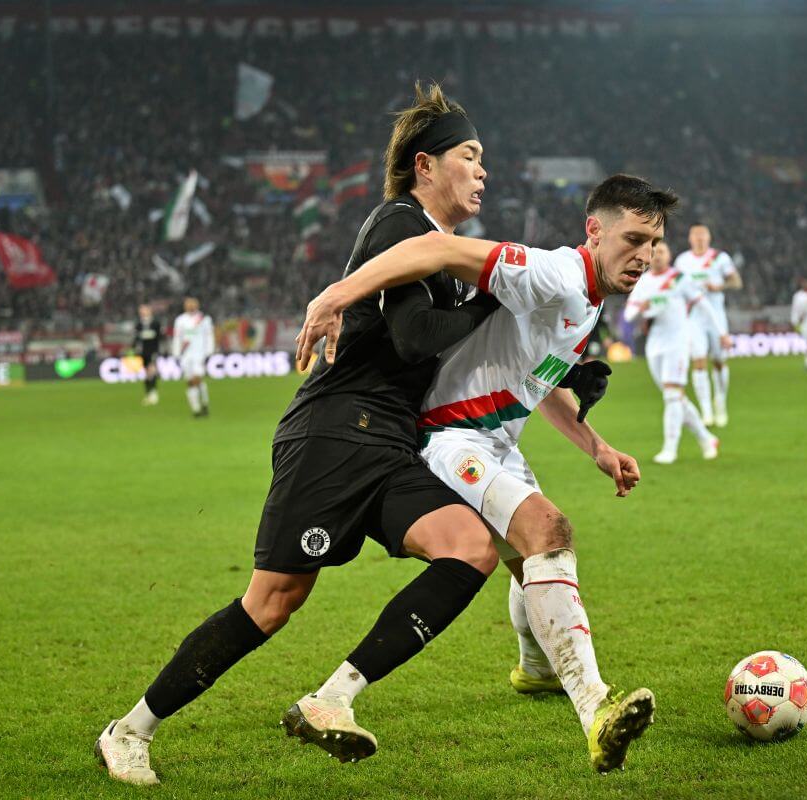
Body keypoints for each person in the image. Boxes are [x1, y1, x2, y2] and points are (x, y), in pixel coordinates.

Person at [96, 82, 503, 785]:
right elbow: (413, 339)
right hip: (335, 433)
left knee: (468, 549)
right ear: (425, 166)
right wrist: (495, 295)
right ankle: (129, 730)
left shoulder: (441, 249)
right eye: (469, 155)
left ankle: (331, 697)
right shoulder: (399, 225)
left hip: (389, 441)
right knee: (273, 602)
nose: (483, 170)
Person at [298, 173, 677, 773]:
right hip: (450, 437)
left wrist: (597, 447)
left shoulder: (588, 301)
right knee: (548, 531)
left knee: (532, 557)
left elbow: (538, 381)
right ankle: (596, 709)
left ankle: (532, 670)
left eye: (653, 243)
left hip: (494, 439)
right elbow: (437, 250)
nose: (644, 256)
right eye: (632, 239)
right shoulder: (554, 272)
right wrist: (338, 294)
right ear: (594, 231)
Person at [624, 241, 720, 463]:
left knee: (672, 396)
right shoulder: (643, 282)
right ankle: (706, 438)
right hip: (655, 346)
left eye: (662, 251)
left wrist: (721, 333)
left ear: (669, 255)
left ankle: (670, 449)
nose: (657, 256)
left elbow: (703, 305)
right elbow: (629, 315)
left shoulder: (679, 279)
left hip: (678, 343)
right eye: (654, 252)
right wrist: (641, 309)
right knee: (675, 398)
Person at [674, 224, 741, 427]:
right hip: (694, 319)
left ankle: (720, 400)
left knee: (719, 361)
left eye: (703, 235)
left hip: (717, 317)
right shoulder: (682, 261)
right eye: (696, 236)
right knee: (699, 361)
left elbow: (736, 282)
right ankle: (707, 410)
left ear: (709, 238)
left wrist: (720, 286)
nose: (699, 239)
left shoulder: (719, 258)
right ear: (690, 239)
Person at [171, 297, 215, 417]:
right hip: (186, 356)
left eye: (192, 304)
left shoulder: (204, 319)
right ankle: (198, 408)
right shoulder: (180, 320)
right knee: (190, 383)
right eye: (188, 304)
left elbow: (209, 336)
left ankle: (201, 406)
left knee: (196, 380)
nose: (190, 306)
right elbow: (177, 338)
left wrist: (209, 352)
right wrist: (176, 354)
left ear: (197, 305)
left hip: (199, 355)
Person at [132, 303, 163, 405]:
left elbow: (160, 337)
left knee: (151, 371)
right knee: (146, 373)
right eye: (141, 310)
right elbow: (136, 339)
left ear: (149, 311)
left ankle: (153, 394)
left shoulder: (156, 323)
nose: (142, 312)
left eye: (144, 310)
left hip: (153, 351)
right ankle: (148, 394)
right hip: (143, 352)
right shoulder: (139, 324)